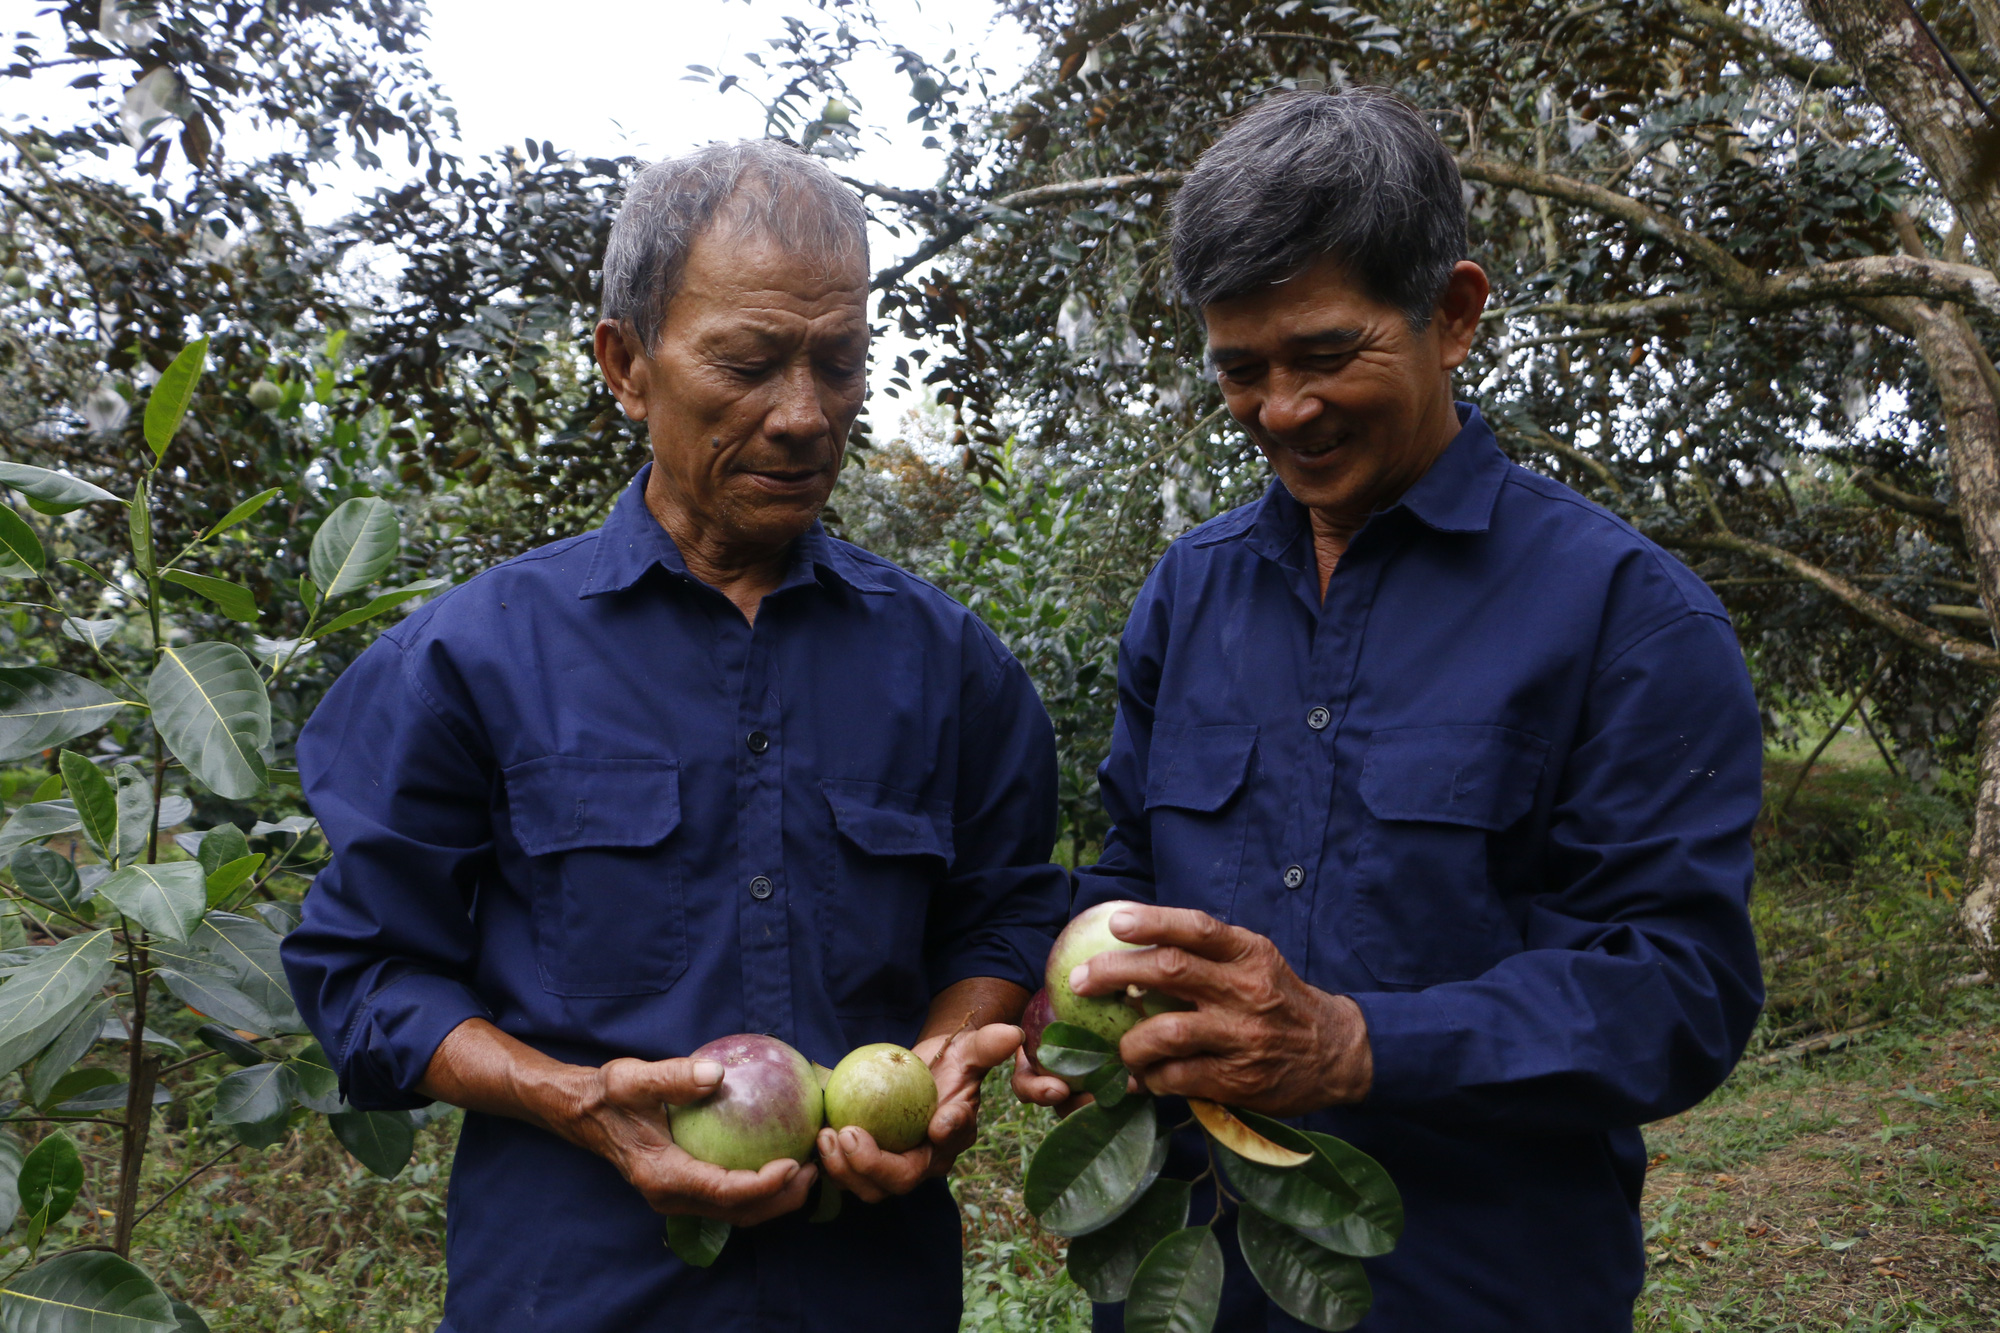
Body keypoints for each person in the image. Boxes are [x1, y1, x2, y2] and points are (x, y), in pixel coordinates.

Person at [281, 139, 1067, 1333]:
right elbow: (363, 970)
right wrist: (573, 1096)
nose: (804, 416)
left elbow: (1002, 910)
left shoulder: (950, 666)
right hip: (572, 1291)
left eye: (839, 364)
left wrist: (942, 1059)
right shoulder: (468, 660)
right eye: (748, 363)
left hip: (866, 1293)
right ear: (626, 363)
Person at [1013, 88, 1764, 1331]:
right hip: (1197, 1287)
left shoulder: (1629, 618)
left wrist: (1354, 1042)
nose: (1281, 410)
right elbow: (1128, 873)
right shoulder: (1188, 596)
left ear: (1452, 315)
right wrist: (1078, 1006)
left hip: (1476, 1287)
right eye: (1240, 369)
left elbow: (1676, 993)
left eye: (1323, 355)